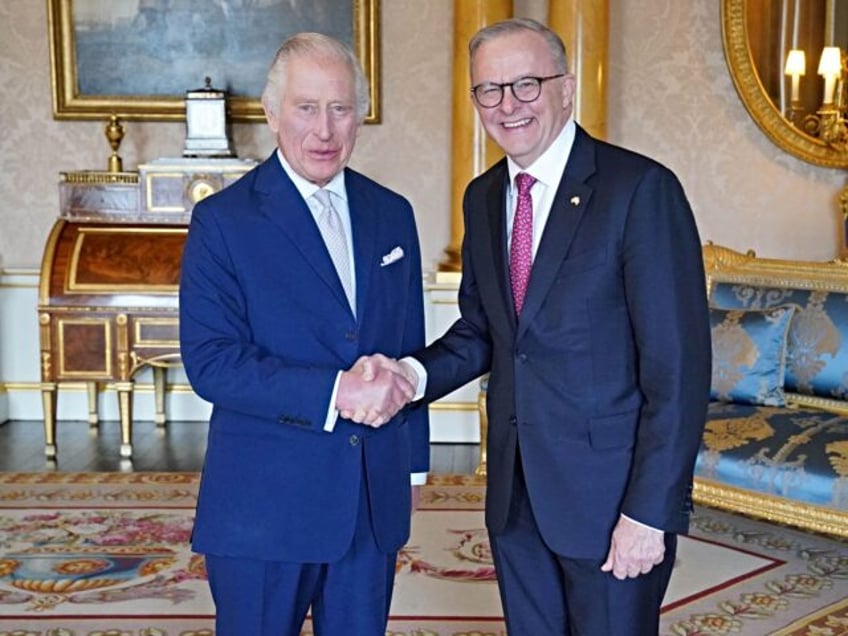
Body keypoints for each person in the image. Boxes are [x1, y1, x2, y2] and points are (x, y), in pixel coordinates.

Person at [358, 17, 711, 635]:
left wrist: (650, 513)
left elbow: (677, 372)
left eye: (526, 84)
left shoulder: (639, 190)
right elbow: (485, 332)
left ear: (566, 88)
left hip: (610, 503)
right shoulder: (483, 195)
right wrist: (410, 375)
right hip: (517, 498)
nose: (507, 105)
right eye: (488, 90)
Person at [178, 32, 429, 635]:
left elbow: (409, 345)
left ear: (360, 116)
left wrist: (411, 470)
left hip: (371, 501)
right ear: (271, 114)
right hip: (264, 507)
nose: (325, 130)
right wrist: (335, 392)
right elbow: (212, 362)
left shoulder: (392, 212)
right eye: (306, 108)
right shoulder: (223, 221)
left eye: (340, 108)